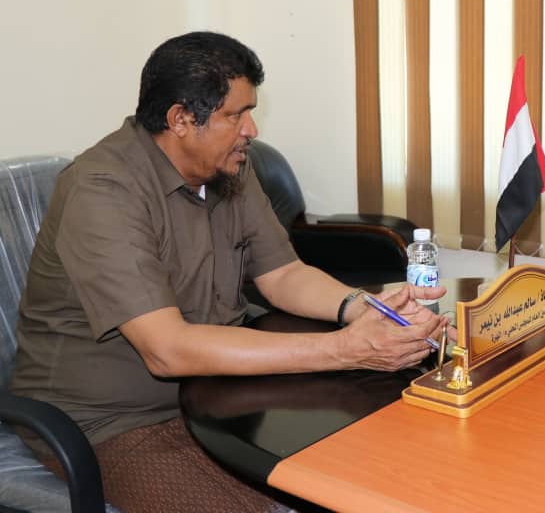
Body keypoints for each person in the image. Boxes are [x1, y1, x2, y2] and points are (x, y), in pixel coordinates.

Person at [11, 31, 449, 513]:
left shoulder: (227, 168)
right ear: (180, 119)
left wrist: (363, 309)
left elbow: (283, 274)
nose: (251, 129)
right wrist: (345, 350)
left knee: (358, 473)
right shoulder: (103, 190)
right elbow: (168, 350)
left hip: (217, 390)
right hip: (110, 421)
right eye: (235, 114)